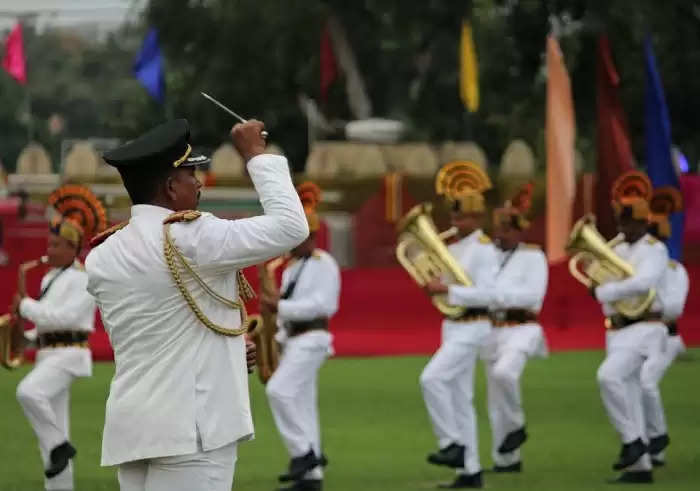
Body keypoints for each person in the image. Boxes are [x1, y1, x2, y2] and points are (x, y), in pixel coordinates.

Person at [85, 119, 309, 491]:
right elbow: (291, 228)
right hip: (192, 429)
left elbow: (154, 333)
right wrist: (257, 155)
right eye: (192, 174)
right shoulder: (193, 236)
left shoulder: (103, 254)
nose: (200, 183)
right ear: (171, 187)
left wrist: (224, 351)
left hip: (134, 427)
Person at [15, 184, 107, 491]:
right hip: (47, 354)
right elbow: (47, 324)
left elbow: (66, 319)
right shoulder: (48, 277)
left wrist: (26, 306)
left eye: (55, 245)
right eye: (48, 244)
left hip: (69, 355)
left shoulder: (83, 279)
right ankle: (58, 455)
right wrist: (24, 338)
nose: (48, 250)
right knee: (49, 448)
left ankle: (60, 445)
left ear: (72, 248)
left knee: (28, 393)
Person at [420, 161, 499, 489]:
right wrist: (434, 282)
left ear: (477, 217)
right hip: (453, 325)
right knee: (460, 398)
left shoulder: (484, 249)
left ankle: (450, 444)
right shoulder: (452, 245)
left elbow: (490, 294)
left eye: (462, 216)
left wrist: (447, 289)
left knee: (431, 379)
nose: (455, 222)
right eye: (453, 216)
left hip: (474, 325)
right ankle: (471, 470)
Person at [262, 182, 341, 491]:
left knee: (279, 392)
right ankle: (312, 479)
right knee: (304, 405)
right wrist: (274, 338)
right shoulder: (292, 267)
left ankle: (304, 454)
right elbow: (286, 310)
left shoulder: (326, 264)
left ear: (311, 236)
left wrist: (279, 306)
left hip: (313, 338)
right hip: (294, 340)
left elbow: (324, 305)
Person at [591, 171, 668, 484]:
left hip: (646, 328)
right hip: (618, 329)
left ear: (643, 222)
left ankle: (633, 440)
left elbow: (645, 283)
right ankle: (641, 468)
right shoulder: (617, 249)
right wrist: (597, 282)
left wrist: (606, 290)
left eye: (630, 224)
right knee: (631, 391)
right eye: (622, 224)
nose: (624, 229)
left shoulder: (655, 249)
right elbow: (599, 278)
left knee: (608, 376)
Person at [480, 183, 548, 474]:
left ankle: (517, 425)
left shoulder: (534, 256)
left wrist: (494, 295)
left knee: (505, 373)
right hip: (490, 328)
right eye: (499, 228)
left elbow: (533, 297)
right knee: (495, 397)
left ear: (520, 231)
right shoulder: (486, 254)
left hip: (522, 326)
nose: (501, 234)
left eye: (507, 229)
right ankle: (506, 460)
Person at [640, 186, 688, 467]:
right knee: (633, 385)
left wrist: (644, 298)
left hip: (665, 337)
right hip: (636, 333)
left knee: (646, 382)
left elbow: (674, 308)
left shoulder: (675, 271)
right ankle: (647, 446)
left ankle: (657, 438)